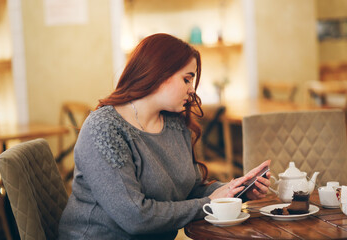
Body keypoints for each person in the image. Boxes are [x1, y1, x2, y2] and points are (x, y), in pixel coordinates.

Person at [58, 33, 271, 240]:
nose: (192, 90)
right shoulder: (104, 127)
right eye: (187, 79)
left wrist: (238, 189)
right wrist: (209, 203)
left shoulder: (175, 124)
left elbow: (192, 189)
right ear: (159, 73)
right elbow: (135, 217)